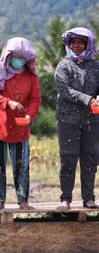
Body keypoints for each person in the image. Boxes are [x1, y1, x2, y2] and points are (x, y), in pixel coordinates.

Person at [0, 37, 40, 210]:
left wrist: (29, 116)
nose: (19, 60)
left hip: (20, 125)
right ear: (8, 56)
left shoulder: (32, 77)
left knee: (21, 165)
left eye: (22, 57)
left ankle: (23, 200)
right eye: (16, 56)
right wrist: (8, 102)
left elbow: (35, 100)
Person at [54, 27, 98, 210]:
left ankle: (89, 198)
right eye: (74, 43)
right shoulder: (63, 66)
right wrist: (88, 99)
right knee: (68, 157)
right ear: (69, 45)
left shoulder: (96, 66)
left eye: (81, 43)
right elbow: (64, 91)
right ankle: (66, 199)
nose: (77, 46)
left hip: (92, 119)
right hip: (67, 119)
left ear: (88, 45)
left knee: (91, 157)